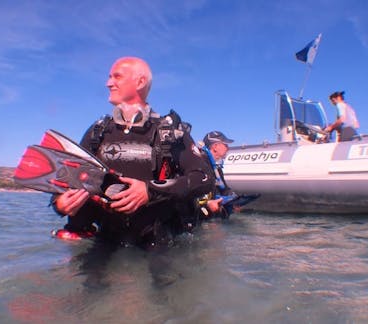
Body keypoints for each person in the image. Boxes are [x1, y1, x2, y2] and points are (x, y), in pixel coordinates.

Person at [52, 56, 214, 247]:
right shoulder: (98, 132)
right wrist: (60, 204)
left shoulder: (169, 132)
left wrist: (149, 190)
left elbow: (205, 178)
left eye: (116, 77)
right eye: (109, 77)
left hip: (158, 243)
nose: (108, 83)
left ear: (140, 82)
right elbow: (66, 180)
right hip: (105, 243)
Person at [199, 130, 236, 219]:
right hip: (199, 217)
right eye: (225, 145)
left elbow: (225, 189)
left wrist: (235, 200)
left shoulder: (216, 167)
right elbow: (189, 195)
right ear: (215, 146)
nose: (228, 148)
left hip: (213, 216)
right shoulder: (198, 164)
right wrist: (207, 204)